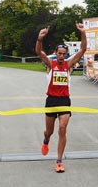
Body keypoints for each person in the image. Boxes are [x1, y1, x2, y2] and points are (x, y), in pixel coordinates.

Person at [35, 22, 87, 173]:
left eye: (64, 54)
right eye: (60, 53)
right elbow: (39, 52)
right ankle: (46, 141)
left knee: (62, 129)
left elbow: (83, 49)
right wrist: (39, 39)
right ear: (56, 53)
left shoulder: (69, 64)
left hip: (64, 101)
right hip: (51, 100)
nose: (62, 56)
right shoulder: (50, 64)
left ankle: (59, 161)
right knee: (49, 132)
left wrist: (82, 33)